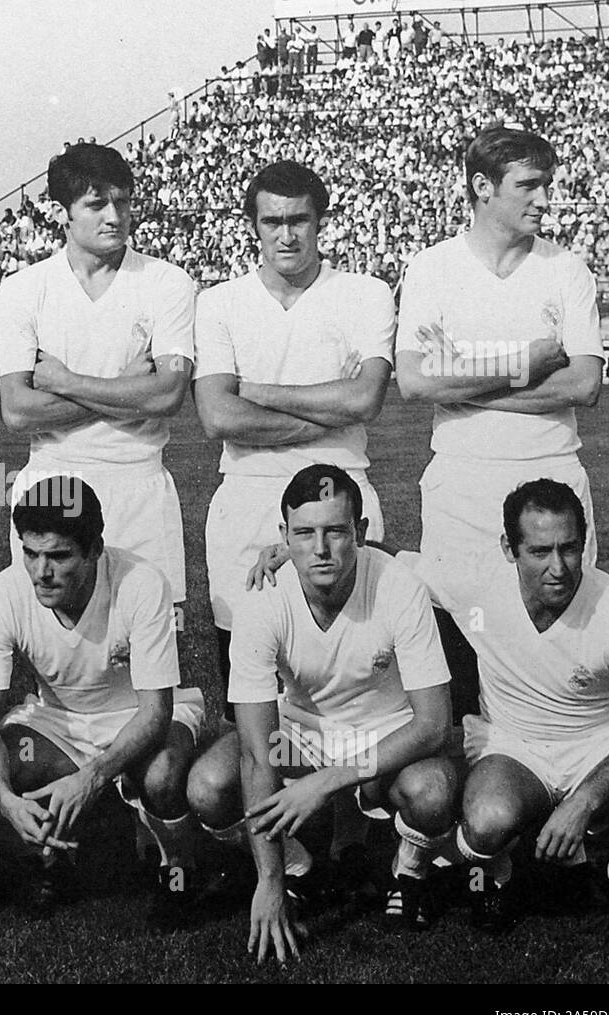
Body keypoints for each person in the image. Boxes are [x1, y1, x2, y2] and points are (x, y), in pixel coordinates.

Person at [193, 465, 454, 962]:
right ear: (282, 537)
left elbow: (433, 724)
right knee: (209, 785)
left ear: (360, 532)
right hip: (302, 733)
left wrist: (331, 781)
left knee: (432, 790)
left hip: (387, 730)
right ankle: (296, 868)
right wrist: (267, 880)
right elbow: (255, 749)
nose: (320, 548)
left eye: (336, 531)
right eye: (304, 533)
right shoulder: (263, 598)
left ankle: (410, 870)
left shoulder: (400, 587)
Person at [400, 480, 609, 935]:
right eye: (540, 551)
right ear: (509, 548)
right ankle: (498, 876)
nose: (558, 567)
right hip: (514, 744)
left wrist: (584, 802)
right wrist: (292, 552)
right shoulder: (477, 586)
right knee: (486, 821)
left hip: (599, 743)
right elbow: (390, 559)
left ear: (584, 545)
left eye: (570, 549)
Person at [0, 477, 208, 932]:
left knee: (163, 774)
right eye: (30, 553)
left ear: (94, 549)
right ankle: (45, 857)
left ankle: (177, 866)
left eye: (58, 556)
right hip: (59, 722)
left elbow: (155, 712)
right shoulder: (0, 596)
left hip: (139, 715)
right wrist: (8, 802)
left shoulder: (142, 583)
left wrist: (90, 779)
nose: (40, 572)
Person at [193, 161, 394, 707]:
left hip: (340, 495)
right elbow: (217, 417)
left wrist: (259, 392)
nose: (287, 234)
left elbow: (366, 398)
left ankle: (349, 789)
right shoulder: (218, 304)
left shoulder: (366, 293)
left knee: (352, 674)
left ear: (320, 221)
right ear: (253, 226)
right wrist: (330, 409)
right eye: (273, 221)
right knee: (250, 684)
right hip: (247, 493)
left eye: (300, 219)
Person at [396, 127, 603, 583]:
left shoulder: (567, 270)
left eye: (547, 184)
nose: (545, 200)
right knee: (461, 631)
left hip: (553, 475)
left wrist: (460, 383)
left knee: (559, 639)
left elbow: (584, 385)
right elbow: (414, 382)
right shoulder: (432, 268)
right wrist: (524, 367)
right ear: (482, 187)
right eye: (528, 185)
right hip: (461, 481)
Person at [0, 143, 196, 603]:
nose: (115, 216)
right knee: (54, 652)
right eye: (96, 204)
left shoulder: (167, 283)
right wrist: (127, 388)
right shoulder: (23, 290)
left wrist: (66, 382)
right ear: (61, 212)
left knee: (147, 649)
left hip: (139, 484)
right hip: (52, 485)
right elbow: (18, 412)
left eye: (123, 202)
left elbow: (167, 396)